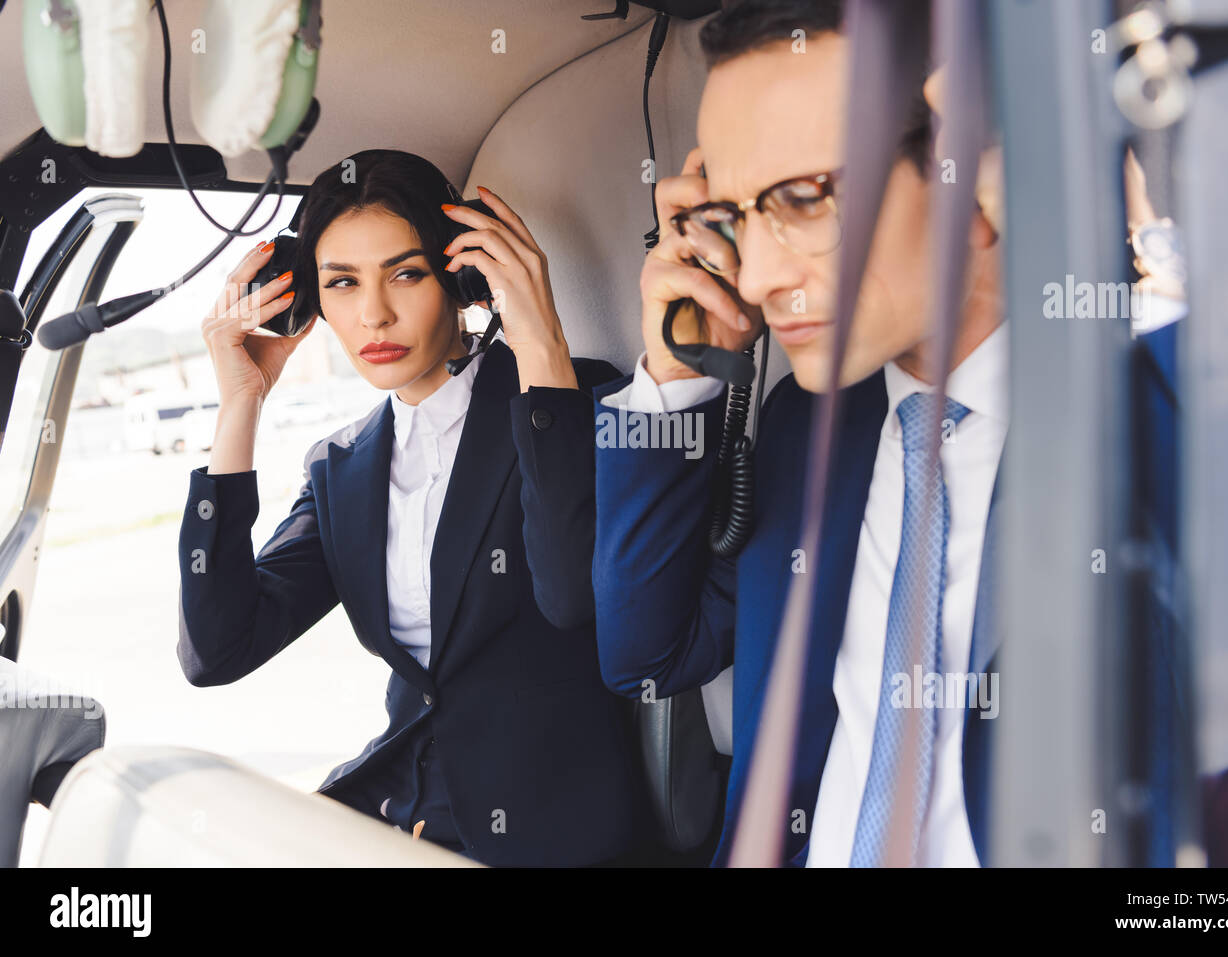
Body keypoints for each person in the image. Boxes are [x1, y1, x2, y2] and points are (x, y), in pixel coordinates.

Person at [592, 0, 1006, 867]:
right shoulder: (803, 429)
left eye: (805, 198)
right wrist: (677, 372)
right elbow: (648, 655)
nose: (759, 273)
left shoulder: (1154, 430)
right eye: (735, 216)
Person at [177, 149, 643, 867]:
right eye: (341, 283)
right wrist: (240, 404)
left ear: (461, 278)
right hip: (389, 819)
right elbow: (215, 649)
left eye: (406, 272)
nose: (375, 313)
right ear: (311, 302)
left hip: (545, 834)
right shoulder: (341, 468)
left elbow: (572, 595)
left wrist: (541, 342)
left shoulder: (568, 403)